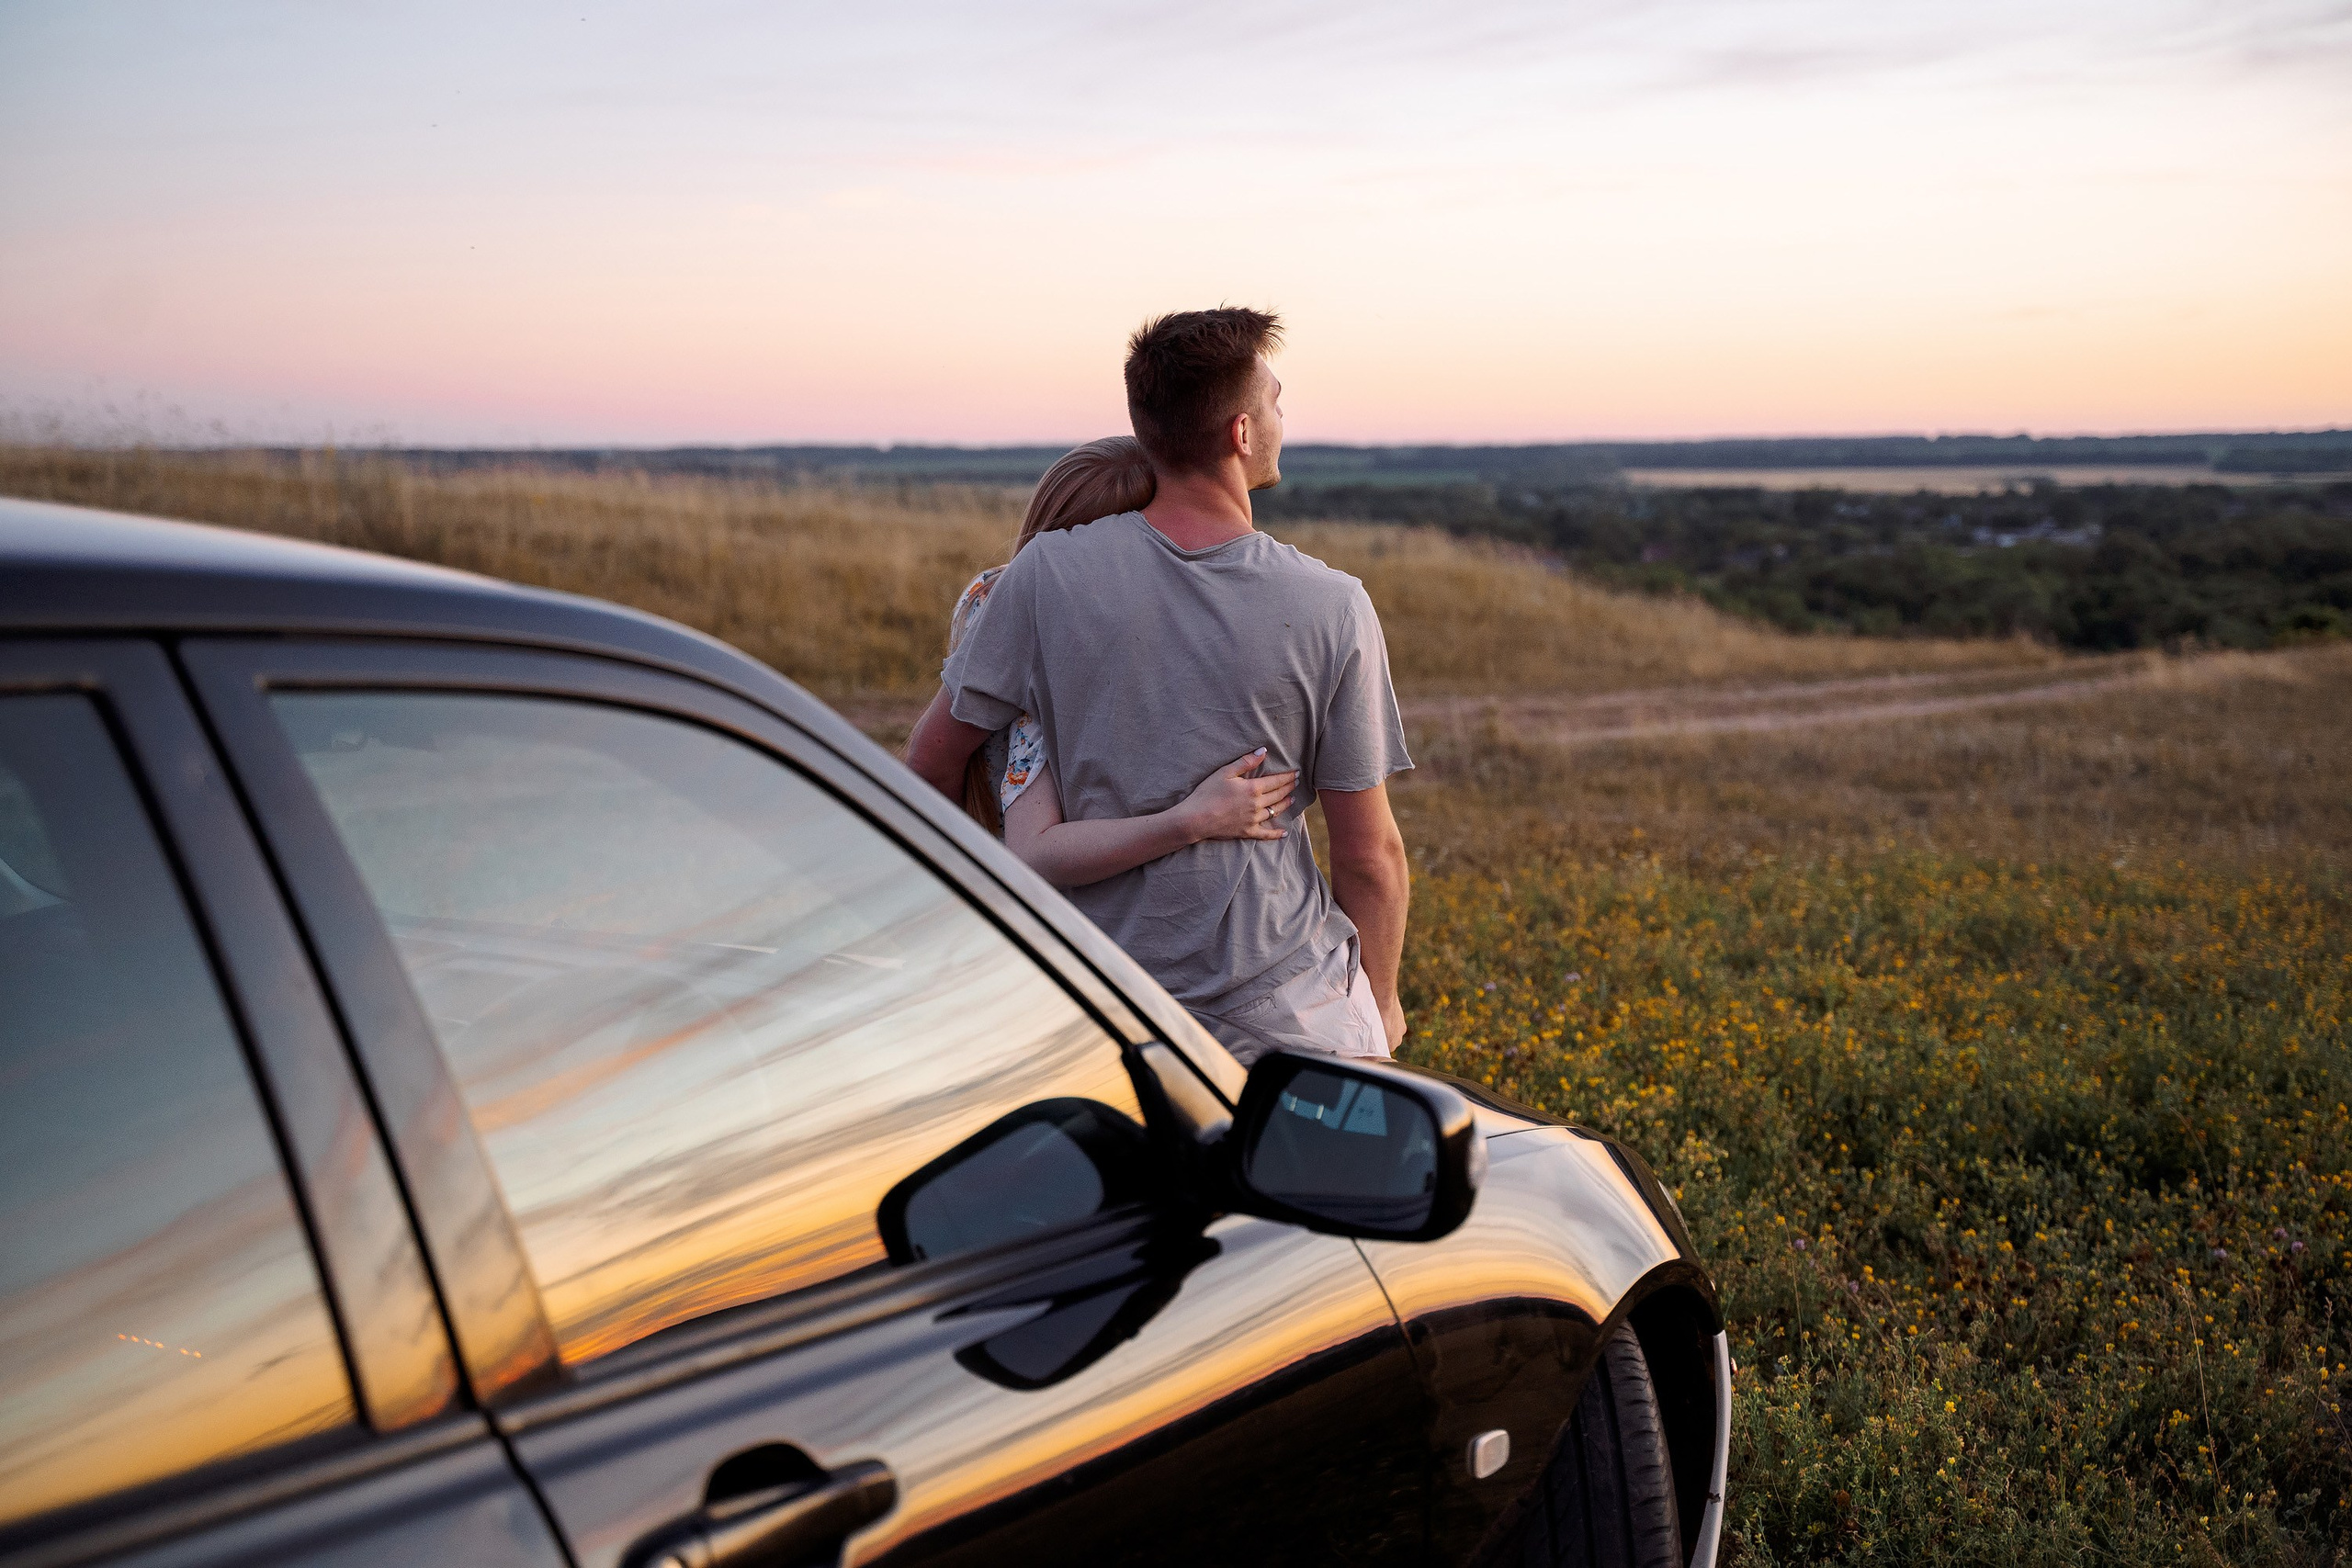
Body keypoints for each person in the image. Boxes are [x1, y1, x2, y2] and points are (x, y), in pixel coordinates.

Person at [907, 308, 1413, 1064]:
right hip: (1292, 1015)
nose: (1281, 414)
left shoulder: (1041, 575)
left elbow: (930, 764)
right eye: (1274, 400)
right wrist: (1381, 1003)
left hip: (1101, 1019)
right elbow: (1369, 855)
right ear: (1242, 434)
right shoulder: (1332, 604)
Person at [910, 436, 1301, 881]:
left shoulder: (987, 593)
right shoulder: (1067, 640)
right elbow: (1032, 846)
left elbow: (934, 758)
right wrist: (1193, 819)